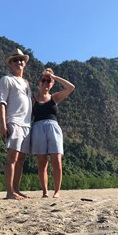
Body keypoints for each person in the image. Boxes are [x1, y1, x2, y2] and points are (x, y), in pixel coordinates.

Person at [31, 68, 75, 198]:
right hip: (38, 128)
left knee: (56, 161)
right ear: (39, 82)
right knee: (42, 163)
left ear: (52, 84)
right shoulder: (32, 98)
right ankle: (45, 191)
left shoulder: (54, 97)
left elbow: (71, 87)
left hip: (53, 128)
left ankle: (57, 191)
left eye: (48, 81)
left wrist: (54, 77)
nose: (45, 83)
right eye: (43, 80)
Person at [0, 48, 32, 200]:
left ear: (25, 63)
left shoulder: (26, 83)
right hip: (14, 122)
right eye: (15, 60)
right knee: (12, 157)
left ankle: (16, 189)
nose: (19, 62)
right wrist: (3, 123)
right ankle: (10, 191)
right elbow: (1, 102)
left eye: (21, 60)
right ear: (10, 64)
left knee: (21, 160)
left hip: (26, 125)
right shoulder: (6, 79)